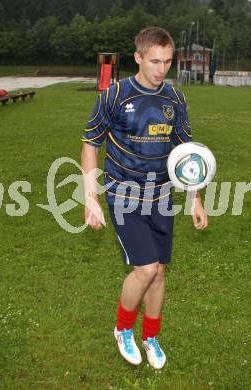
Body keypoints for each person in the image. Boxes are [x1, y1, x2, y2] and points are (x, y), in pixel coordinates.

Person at [81, 26, 208, 369]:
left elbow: (188, 154)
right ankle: (123, 329)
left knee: (159, 272)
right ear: (137, 57)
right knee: (146, 268)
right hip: (124, 193)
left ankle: (150, 336)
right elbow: (91, 144)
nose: (161, 69)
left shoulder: (175, 99)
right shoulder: (115, 95)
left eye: (167, 62)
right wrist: (90, 196)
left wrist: (195, 198)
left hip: (162, 196)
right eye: (154, 61)